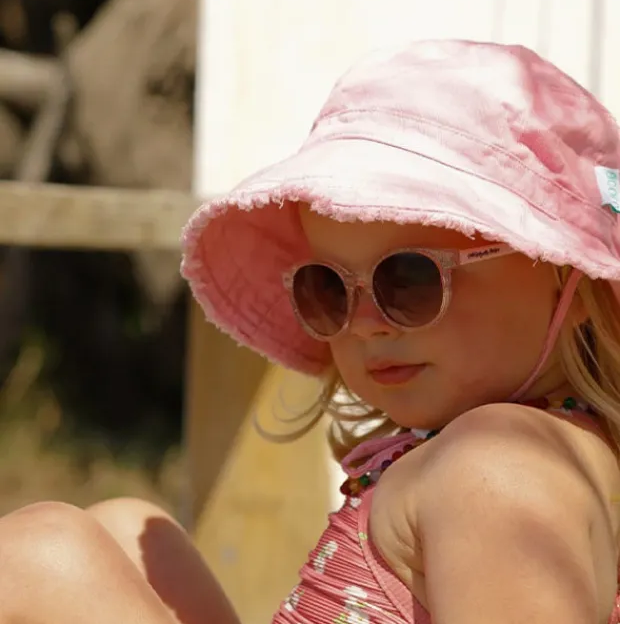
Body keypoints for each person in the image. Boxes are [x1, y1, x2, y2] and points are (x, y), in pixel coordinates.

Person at [1, 38, 620, 624]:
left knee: (44, 558)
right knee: (125, 528)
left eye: (408, 278)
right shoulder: (494, 453)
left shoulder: (499, 467)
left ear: (570, 279)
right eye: (326, 289)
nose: (365, 324)